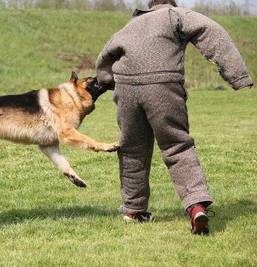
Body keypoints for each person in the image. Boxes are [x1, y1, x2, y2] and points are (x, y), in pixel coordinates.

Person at [96, 0, 254, 235]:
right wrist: (238, 76)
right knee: (176, 146)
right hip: (162, 84)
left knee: (132, 149)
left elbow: (104, 58)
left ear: (150, 5)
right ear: (171, 3)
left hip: (126, 87)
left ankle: (133, 210)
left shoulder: (133, 23)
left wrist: (107, 83)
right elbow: (211, 30)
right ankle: (196, 207)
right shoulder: (174, 14)